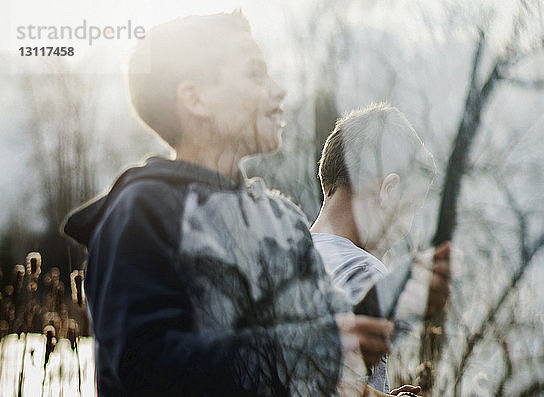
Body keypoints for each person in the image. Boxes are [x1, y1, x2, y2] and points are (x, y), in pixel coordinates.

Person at [62, 12, 395, 397]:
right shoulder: (142, 215)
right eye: (255, 74)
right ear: (196, 99)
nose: (278, 90)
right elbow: (148, 367)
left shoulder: (283, 220)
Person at [311, 103, 451, 394]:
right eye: (411, 208)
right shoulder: (363, 272)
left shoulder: (284, 258)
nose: (406, 229)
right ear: (389, 191)